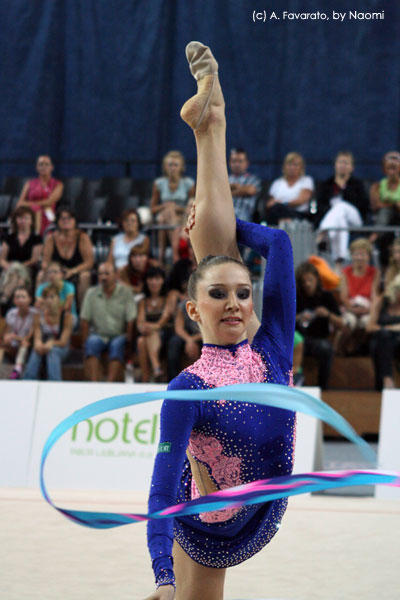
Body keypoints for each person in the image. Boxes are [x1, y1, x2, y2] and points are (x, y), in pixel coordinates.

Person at [145, 42, 296, 600]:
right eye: (218, 295)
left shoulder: (272, 348)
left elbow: (277, 243)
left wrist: (227, 252)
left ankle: (210, 128)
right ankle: (211, 127)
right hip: (211, 523)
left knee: (218, 246)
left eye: (243, 293)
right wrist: (161, 573)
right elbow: (161, 493)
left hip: (244, 506)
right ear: (192, 310)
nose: (235, 302)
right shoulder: (186, 389)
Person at [80, 262, 136, 382]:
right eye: (100, 274)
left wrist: (129, 341)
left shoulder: (126, 292)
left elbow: (131, 320)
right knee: (91, 343)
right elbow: (84, 320)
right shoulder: (91, 293)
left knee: (117, 345)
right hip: (98, 334)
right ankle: (94, 384)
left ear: (115, 275)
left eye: (107, 273)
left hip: (119, 334)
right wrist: (84, 343)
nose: (103, 277)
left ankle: (109, 384)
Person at [295, 261, 343, 389]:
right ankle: (293, 382)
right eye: (303, 281)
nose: (307, 284)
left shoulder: (326, 296)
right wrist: (299, 317)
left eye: (310, 280)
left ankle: (323, 387)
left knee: (326, 349)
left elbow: (341, 323)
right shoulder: (295, 296)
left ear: (317, 279)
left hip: (319, 339)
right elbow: (283, 321)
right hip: (298, 339)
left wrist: (327, 314)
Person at [316, 151, 369, 263]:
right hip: (336, 222)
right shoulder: (327, 184)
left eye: (346, 163)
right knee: (340, 222)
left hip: (355, 220)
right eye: (340, 162)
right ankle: (339, 261)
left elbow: (363, 206)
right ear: (335, 165)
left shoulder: (357, 184)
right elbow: (320, 207)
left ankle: (323, 233)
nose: (343, 166)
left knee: (341, 206)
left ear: (352, 167)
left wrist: (344, 188)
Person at [38, 207, 94, 307]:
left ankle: (82, 313)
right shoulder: (51, 238)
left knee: (85, 276)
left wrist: (73, 271)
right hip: (56, 272)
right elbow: (45, 262)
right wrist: (55, 272)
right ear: (57, 222)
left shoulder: (82, 237)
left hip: (76, 272)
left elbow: (89, 262)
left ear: (74, 221)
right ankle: (42, 309)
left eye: (69, 218)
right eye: (62, 219)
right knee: (42, 274)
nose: (66, 221)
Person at [150, 150, 195, 262]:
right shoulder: (159, 183)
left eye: (175, 165)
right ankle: (175, 255)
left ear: (181, 167)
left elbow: (192, 207)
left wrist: (175, 208)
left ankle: (162, 256)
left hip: (183, 217)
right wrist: (165, 206)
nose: (172, 168)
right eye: (170, 165)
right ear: (165, 167)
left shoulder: (188, 183)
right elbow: (153, 209)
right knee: (163, 216)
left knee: (164, 218)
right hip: (165, 216)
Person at [338, 238, 380, 354]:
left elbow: (374, 294)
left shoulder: (374, 272)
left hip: (367, 308)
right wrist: (352, 309)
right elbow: (343, 296)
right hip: (350, 307)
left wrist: (369, 309)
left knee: (366, 323)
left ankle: (358, 350)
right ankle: (339, 351)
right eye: (357, 254)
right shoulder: (345, 272)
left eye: (363, 254)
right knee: (350, 322)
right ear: (352, 255)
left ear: (368, 257)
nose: (359, 257)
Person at [23, 284, 73, 381]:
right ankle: (28, 381)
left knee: (53, 351)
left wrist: (52, 343)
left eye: (52, 297)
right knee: (36, 350)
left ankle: (54, 382)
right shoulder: (38, 315)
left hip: (61, 347)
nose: (49, 300)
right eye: (46, 297)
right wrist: (38, 344)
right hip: (45, 343)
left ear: (58, 299)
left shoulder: (67, 317)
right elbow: (37, 336)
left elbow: (63, 342)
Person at [0, 207, 42, 311]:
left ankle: (4, 298)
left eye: (26, 218)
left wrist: (17, 266)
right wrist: (10, 267)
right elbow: (2, 259)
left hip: (27, 269)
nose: (23, 221)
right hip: (9, 271)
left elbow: (34, 260)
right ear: (15, 220)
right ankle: (8, 304)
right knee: (19, 281)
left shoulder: (36, 238)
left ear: (31, 221)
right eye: (20, 218)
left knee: (18, 274)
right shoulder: (8, 237)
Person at [136, 267, 175, 382]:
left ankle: (149, 374)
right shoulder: (143, 301)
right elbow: (139, 322)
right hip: (147, 336)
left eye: (157, 279)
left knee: (150, 335)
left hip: (166, 335)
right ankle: (155, 370)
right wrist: (143, 327)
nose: (154, 282)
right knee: (141, 341)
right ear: (146, 281)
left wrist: (146, 326)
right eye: (151, 279)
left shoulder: (168, 299)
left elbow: (160, 324)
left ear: (162, 281)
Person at [16, 155, 63, 235]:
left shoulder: (58, 184)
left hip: (49, 212)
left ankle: (40, 235)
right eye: (41, 164)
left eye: (46, 164)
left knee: (40, 211)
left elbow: (49, 202)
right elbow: (20, 203)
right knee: (28, 214)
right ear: (37, 167)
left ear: (52, 167)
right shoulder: (29, 183)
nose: (43, 167)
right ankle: (34, 236)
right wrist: (35, 206)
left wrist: (30, 204)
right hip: (31, 212)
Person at [368, 273, 400, 390]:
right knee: (384, 336)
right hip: (381, 340)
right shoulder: (381, 301)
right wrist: (389, 329)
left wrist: (391, 328)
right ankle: (387, 379)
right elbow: (369, 327)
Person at [369, 151, 400, 267]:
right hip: (385, 223)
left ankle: (374, 236)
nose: (392, 164)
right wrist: (394, 203)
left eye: (395, 162)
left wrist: (388, 202)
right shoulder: (377, 186)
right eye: (389, 164)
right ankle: (376, 236)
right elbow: (376, 206)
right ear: (384, 169)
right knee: (386, 212)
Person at [265, 152, 314, 224]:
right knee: (274, 209)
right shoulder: (277, 183)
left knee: (278, 207)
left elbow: (300, 201)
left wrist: (282, 202)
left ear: (301, 168)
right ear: (284, 167)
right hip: (278, 213)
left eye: (295, 165)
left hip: (298, 214)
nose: (292, 168)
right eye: (289, 164)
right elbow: (269, 204)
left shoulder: (306, 180)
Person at [0, 287, 36, 379]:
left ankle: (17, 369)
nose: (20, 300)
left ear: (30, 299)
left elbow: (28, 338)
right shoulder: (11, 313)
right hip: (14, 344)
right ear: (14, 300)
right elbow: (6, 333)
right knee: (2, 346)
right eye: (17, 297)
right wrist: (7, 337)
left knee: (24, 344)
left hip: (28, 346)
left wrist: (14, 337)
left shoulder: (35, 314)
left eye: (23, 297)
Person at [35, 261, 78, 328]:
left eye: (55, 272)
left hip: (67, 317)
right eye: (49, 272)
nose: (52, 275)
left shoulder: (69, 286)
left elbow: (67, 307)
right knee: (36, 317)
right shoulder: (41, 287)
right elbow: (39, 306)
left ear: (61, 274)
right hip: (49, 317)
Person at [228, 148, 261, 222]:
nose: (237, 164)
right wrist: (239, 188)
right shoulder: (224, 179)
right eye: (234, 161)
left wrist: (227, 191)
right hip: (224, 212)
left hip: (243, 214)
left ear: (247, 163)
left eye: (240, 161)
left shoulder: (253, 179)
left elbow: (249, 191)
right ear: (229, 163)